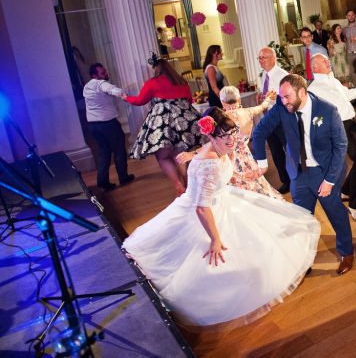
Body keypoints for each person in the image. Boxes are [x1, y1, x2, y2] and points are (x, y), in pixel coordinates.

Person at [123, 108, 320, 327]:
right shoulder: (209, 163)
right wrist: (215, 240)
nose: (231, 139)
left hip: (224, 199)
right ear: (210, 136)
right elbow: (201, 208)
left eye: (232, 133)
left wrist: (238, 173)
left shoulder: (221, 148)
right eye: (224, 136)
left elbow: (221, 166)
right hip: (206, 210)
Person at [252, 74, 355, 275]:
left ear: (302, 92)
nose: (283, 101)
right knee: (300, 221)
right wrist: (262, 163)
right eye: (281, 97)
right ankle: (304, 260)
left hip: (324, 172)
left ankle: (346, 252)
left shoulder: (327, 110)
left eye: (287, 97)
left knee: (336, 214)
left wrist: (329, 180)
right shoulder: (283, 108)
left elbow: (341, 146)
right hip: (298, 174)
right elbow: (259, 132)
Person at [177, 86, 282, 199]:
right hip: (246, 157)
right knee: (255, 186)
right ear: (239, 100)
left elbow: (212, 143)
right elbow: (262, 106)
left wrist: (192, 154)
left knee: (234, 192)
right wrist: (268, 99)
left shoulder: (224, 119)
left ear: (222, 102)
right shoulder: (249, 112)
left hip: (229, 159)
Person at [308, 54, 356, 223]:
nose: (328, 62)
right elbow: (315, 115)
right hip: (340, 128)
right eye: (324, 61)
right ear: (315, 67)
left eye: (327, 60)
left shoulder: (333, 81)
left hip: (352, 124)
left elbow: (347, 95)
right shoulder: (314, 89)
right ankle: (355, 206)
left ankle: (346, 190)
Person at [124, 55, 202, 196]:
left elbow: (140, 101)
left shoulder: (152, 83)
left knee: (163, 157)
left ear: (156, 69)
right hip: (181, 121)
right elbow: (189, 100)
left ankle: (178, 185)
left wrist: (126, 97)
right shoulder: (181, 81)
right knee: (179, 154)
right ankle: (189, 184)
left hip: (162, 123)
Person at [83, 63, 134, 190]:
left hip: (93, 126)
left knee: (103, 153)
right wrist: (124, 95)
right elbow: (113, 89)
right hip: (108, 124)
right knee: (119, 150)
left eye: (105, 71)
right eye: (103, 73)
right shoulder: (100, 83)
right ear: (94, 76)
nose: (106, 74)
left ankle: (103, 182)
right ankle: (123, 177)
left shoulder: (86, 87)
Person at [257, 47, 291, 194]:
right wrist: (262, 97)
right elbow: (265, 94)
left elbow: (290, 97)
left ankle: (298, 177)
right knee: (276, 151)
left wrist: (276, 97)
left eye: (263, 57)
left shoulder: (282, 75)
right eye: (259, 58)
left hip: (282, 118)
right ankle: (286, 181)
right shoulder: (264, 75)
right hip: (269, 118)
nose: (260, 60)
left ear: (272, 58)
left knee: (289, 149)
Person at [203, 44, 228, 109]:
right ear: (215, 53)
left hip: (218, 97)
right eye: (220, 52)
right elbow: (214, 87)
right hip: (216, 98)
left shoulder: (214, 67)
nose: (222, 54)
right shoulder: (210, 68)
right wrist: (224, 101)